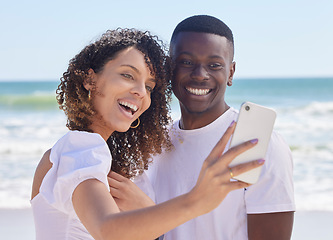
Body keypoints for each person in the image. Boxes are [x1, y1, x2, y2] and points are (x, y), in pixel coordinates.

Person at [30, 28, 264, 240]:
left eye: (149, 86)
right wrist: (196, 201)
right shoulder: (80, 147)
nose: (141, 92)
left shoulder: (101, 163)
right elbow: (107, 230)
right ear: (90, 80)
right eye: (128, 75)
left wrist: (147, 211)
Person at [143, 15, 296, 240]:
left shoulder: (259, 145)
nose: (199, 75)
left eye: (214, 65)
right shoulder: (153, 144)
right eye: (186, 62)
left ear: (231, 73)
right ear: (169, 68)